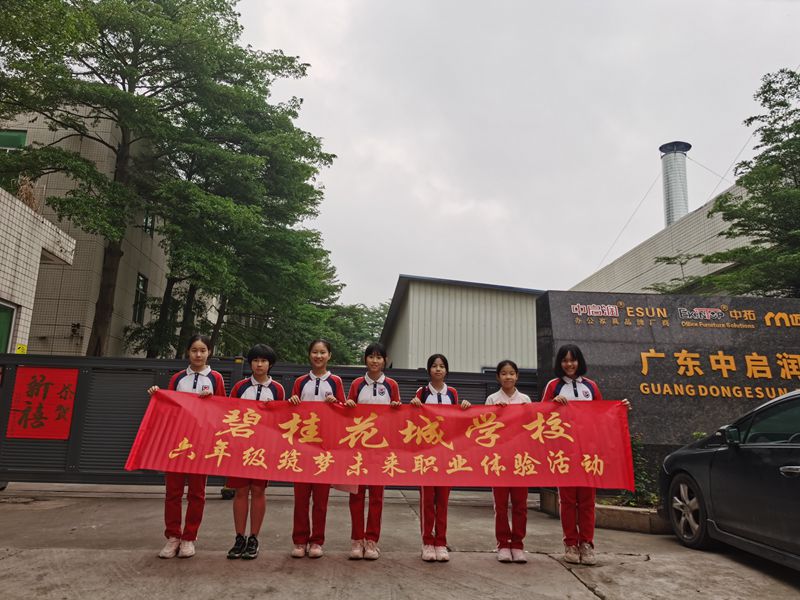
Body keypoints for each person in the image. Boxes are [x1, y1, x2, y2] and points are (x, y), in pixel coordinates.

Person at [541, 344, 630, 566]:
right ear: (559, 363)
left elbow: (603, 415)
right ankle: (571, 544)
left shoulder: (591, 386)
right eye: (564, 360)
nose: (569, 364)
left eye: (573, 360)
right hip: (564, 452)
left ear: (579, 361)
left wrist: (620, 408)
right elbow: (540, 415)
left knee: (587, 501)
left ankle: (587, 544)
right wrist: (552, 404)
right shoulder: (553, 386)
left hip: (589, 452)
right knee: (567, 501)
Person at [147, 334, 226, 559]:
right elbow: (169, 407)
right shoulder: (178, 378)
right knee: (173, 492)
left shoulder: (216, 378)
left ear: (209, 352)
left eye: (203, 350)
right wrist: (157, 395)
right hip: (177, 442)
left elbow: (224, 410)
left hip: (201, 443)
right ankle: (173, 536)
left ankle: (189, 537)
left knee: (197, 493)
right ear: (188, 352)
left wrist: (212, 400)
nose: (198, 354)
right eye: (194, 350)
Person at [225, 344, 285, 561]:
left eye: (264, 361)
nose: (259, 365)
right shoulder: (240, 387)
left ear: (270, 364)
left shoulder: (277, 389)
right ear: (250, 363)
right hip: (241, 447)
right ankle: (239, 537)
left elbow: (281, 420)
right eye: (255, 360)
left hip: (263, 448)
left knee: (258, 491)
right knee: (241, 492)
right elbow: (229, 413)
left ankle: (253, 538)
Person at [287, 339, 345, 559]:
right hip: (302, 448)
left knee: (321, 500)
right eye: (315, 352)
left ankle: (317, 541)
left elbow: (344, 412)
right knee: (301, 498)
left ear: (329, 355)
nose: (318, 356)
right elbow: (290, 413)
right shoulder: (300, 382)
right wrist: (292, 401)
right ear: (309, 354)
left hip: (324, 449)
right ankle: (300, 540)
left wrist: (336, 403)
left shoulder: (336, 381)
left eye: (322, 352)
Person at [410, 353, 471, 562]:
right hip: (427, 455)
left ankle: (441, 542)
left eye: (442, 366)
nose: (438, 369)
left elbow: (457, 420)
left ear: (446, 370)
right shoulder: (421, 392)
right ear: (429, 370)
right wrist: (413, 405)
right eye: (434, 366)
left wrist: (464, 407)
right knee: (427, 500)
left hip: (446, 454)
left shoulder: (452, 393)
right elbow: (413, 420)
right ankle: (427, 542)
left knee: (443, 500)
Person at [346, 342, 402, 561]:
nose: (375, 361)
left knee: (377, 497)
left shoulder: (392, 385)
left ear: (385, 361)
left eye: (379, 357)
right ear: (365, 359)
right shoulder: (357, 384)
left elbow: (399, 417)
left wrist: (397, 408)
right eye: (371, 356)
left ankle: (372, 541)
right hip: (358, 450)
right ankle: (356, 540)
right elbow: (347, 414)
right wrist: (348, 406)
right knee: (356, 496)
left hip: (381, 450)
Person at [485, 359, 532, 563]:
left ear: (517, 376)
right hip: (500, 459)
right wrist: (496, 412)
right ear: (498, 377)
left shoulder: (525, 399)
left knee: (520, 504)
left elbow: (532, 427)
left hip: (521, 459)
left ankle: (518, 544)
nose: (508, 376)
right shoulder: (492, 399)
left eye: (511, 373)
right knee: (501, 505)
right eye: (504, 373)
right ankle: (503, 544)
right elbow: (484, 427)